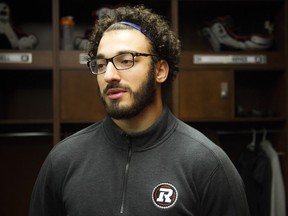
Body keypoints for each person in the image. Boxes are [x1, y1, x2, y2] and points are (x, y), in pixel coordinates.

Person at [29, 4, 250, 216]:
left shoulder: (208, 164)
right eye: (101, 64)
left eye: (125, 60)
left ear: (160, 70)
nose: (109, 75)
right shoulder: (62, 161)